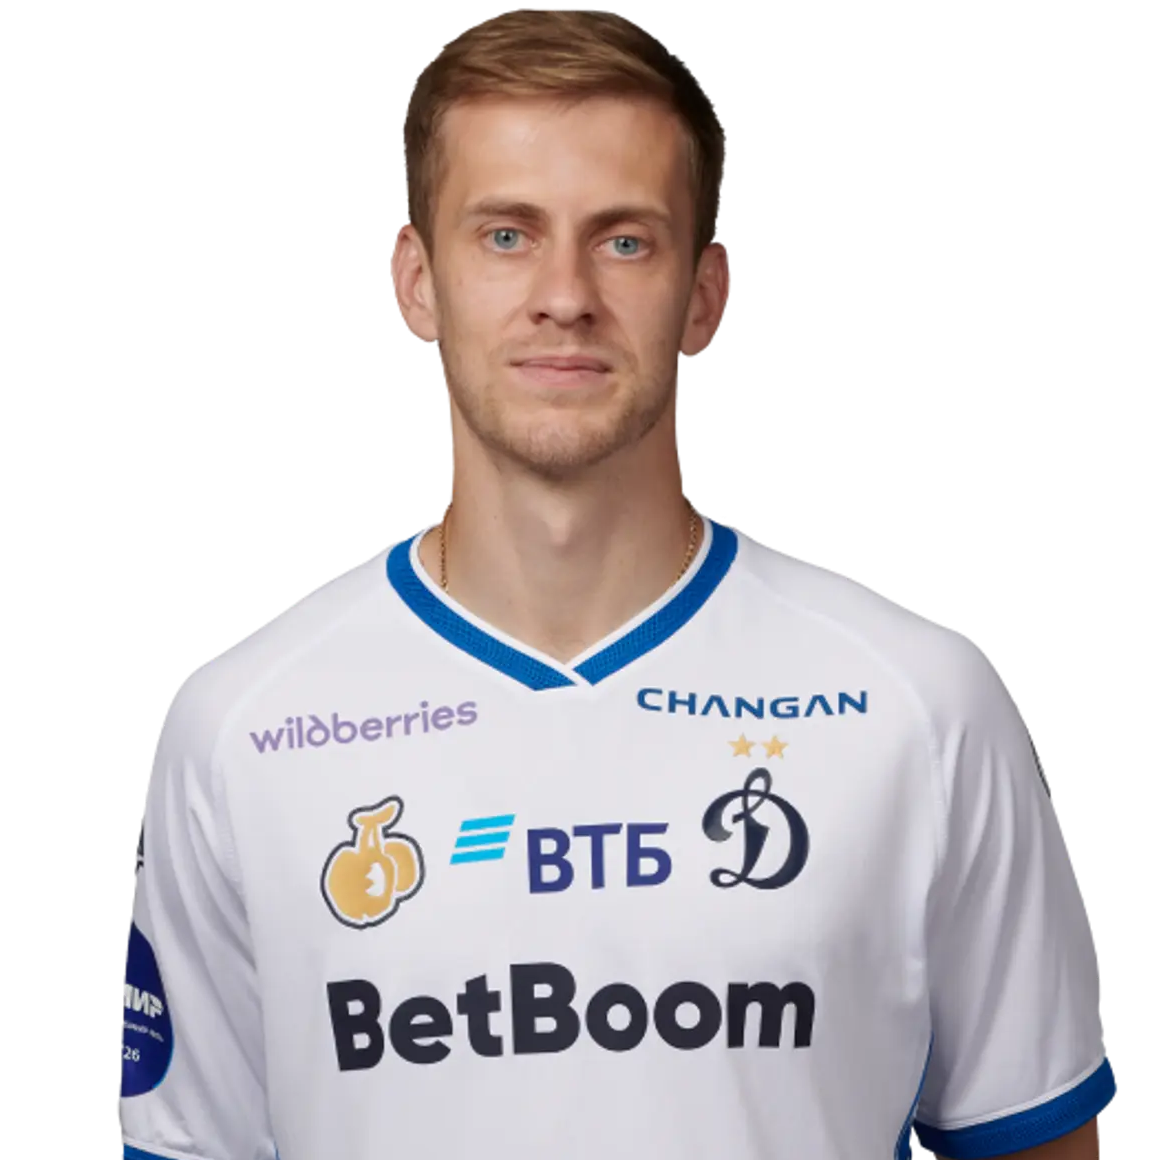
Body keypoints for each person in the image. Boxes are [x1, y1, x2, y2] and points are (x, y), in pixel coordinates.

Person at [118, 10, 1114, 1159]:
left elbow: (1033, 1142)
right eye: (505, 234)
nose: (564, 294)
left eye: (624, 240)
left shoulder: (919, 702)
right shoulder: (241, 726)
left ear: (703, 295)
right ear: (416, 281)